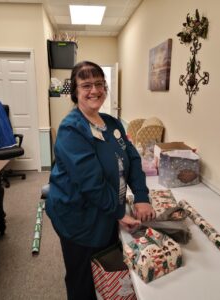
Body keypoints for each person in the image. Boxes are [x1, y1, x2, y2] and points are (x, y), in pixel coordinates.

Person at [45, 61, 155, 300]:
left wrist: (142, 197)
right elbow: (91, 182)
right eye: (86, 85)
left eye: (99, 84)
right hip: (78, 217)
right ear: (75, 92)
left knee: (104, 271)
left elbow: (133, 160)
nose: (94, 90)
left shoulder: (112, 123)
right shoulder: (71, 130)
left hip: (105, 210)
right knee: (82, 278)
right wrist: (118, 213)